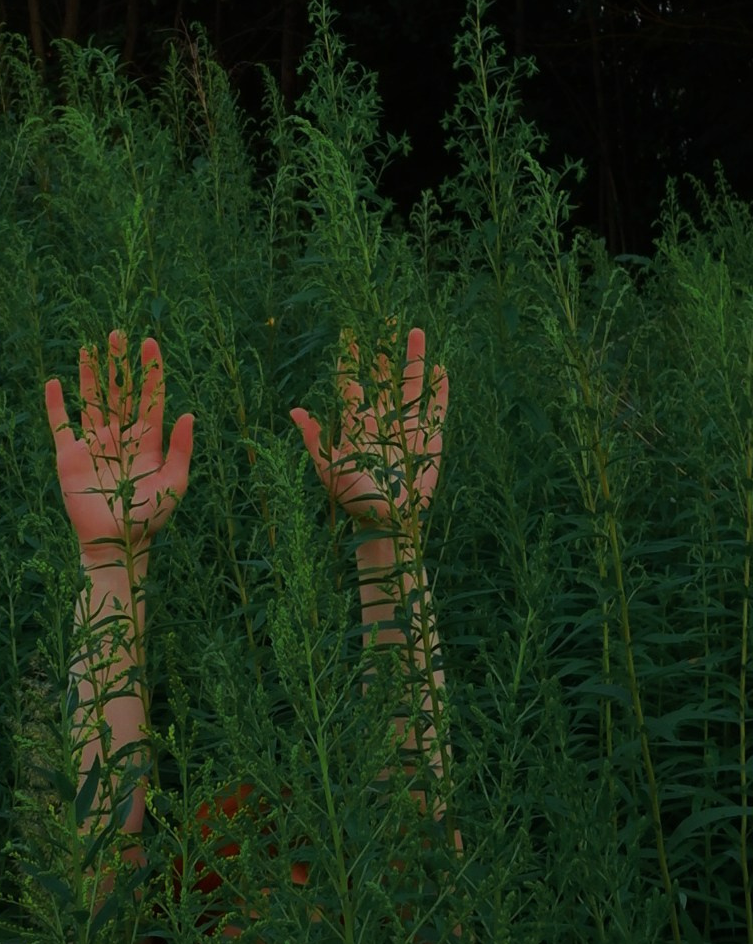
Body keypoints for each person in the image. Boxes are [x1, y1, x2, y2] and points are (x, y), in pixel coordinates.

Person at [41, 326, 451, 885]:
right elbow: (101, 873)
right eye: (232, 916)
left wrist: (391, 538)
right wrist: (111, 561)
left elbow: (419, 828)